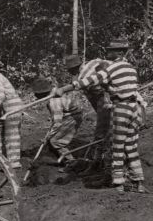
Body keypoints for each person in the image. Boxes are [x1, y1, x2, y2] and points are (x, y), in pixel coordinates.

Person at [54, 40, 145, 193]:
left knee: (116, 144)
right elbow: (115, 88)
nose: (107, 53)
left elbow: (90, 81)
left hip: (121, 108)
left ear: (120, 53)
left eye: (111, 51)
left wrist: (64, 89)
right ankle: (138, 182)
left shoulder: (110, 68)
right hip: (136, 107)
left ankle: (116, 181)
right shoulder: (130, 67)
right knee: (130, 146)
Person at [64, 55, 111, 171]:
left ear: (72, 69)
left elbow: (98, 96)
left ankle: (99, 163)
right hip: (109, 97)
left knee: (101, 133)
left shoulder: (83, 77)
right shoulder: (94, 61)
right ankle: (101, 160)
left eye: (69, 70)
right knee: (106, 131)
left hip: (104, 99)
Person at [32, 77, 82, 163]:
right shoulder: (55, 90)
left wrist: (48, 137)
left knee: (55, 141)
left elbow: (57, 123)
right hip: (68, 114)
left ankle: (71, 162)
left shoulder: (54, 102)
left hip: (72, 116)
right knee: (53, 137)